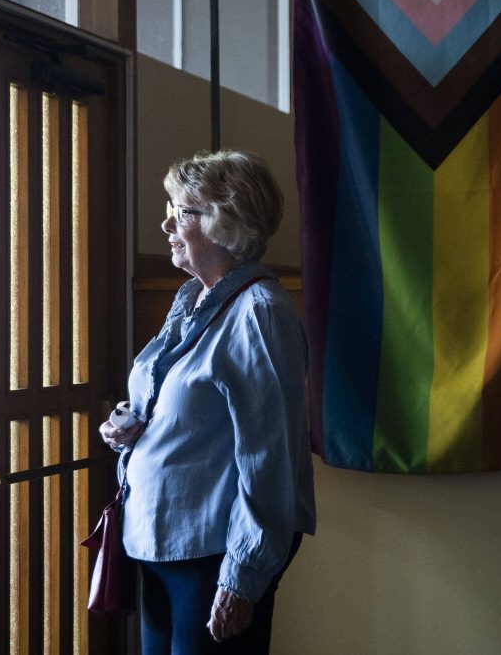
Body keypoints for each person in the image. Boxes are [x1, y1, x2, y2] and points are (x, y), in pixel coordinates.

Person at [99, 150, 316, 654]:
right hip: (159, 546)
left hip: (214, 558)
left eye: (182, 209)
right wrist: (126, 428)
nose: (166, 221)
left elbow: (270, 460)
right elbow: (179, 405)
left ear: (226, 220)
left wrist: (242, 577)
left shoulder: (259, 313)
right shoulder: (191, 299)